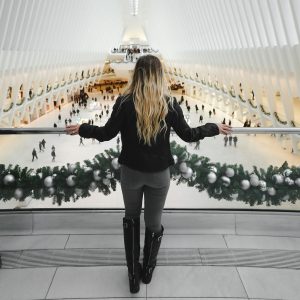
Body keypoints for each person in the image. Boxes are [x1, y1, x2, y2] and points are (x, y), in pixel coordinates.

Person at [66, 55, 231, 294]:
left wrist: (83, 128)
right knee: (153, 224)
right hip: (158, 175)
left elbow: (106, 133)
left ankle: (133, 275)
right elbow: (188, 135)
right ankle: (148, 270)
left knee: (131, 219)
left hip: (131, 173)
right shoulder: (169, 104)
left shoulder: (124, 102)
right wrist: (213, 127)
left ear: (137, 73)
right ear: (159, 75)